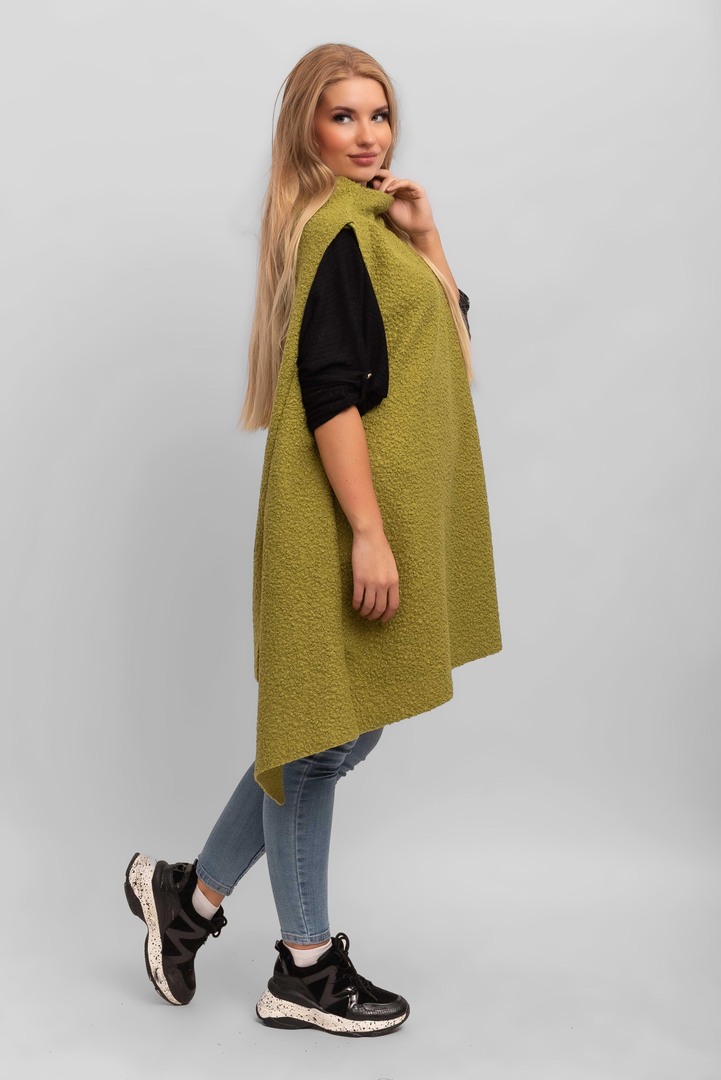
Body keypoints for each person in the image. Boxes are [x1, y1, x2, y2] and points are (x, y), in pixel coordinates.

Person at [125, 42, 502, 1038]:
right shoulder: (334, 231)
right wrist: (367, 533)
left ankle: (188, 897)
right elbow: (330, 394)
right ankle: (303, 966)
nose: (368, 135)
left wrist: (429, 237)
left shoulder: (376, 227)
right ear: (306, 129)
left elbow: (453, 344)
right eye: (344, 116)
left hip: (367, 516)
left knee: (337, 730)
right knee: (320, 736)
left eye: (379, 114)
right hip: (337, 522)